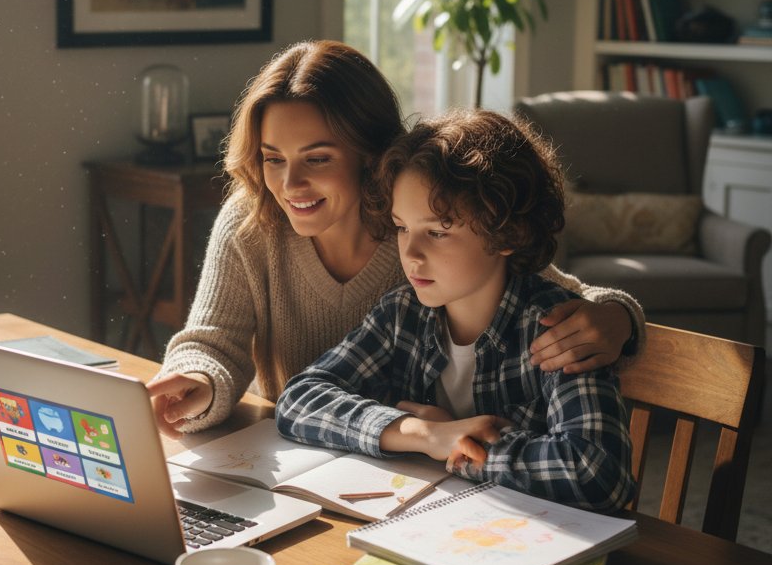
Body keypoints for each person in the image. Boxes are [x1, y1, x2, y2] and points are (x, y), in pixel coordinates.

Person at [148, 40, 643, 439]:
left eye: (317, 159)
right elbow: (213, 343)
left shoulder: (420, 224)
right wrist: (199, 380)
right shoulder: (251, 220)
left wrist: (619, 318)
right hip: (300, 449)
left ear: (369, 153)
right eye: (273, 158)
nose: (290, 184)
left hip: (409, 468)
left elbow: (558, 292)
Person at [275, 109, 635, 512]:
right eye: (402, 227)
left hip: (532, 536)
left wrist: (465, 447)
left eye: (437, 232)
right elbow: (299, 399)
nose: (411, 254)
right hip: (427, 523)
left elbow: (599, 474)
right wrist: (424, 434)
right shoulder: (402, 314)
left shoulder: (556, 329)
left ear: (509, 232)